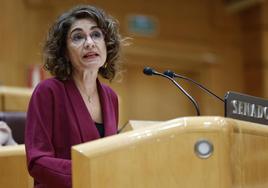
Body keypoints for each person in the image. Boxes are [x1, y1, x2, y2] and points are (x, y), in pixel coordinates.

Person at [25, 5, 123, 188]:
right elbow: (37, 161)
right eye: (78, 37)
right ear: (64, 52)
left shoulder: (111, 98)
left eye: (96, 35)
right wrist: (89, 173)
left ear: (106, 45)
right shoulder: (48, 91)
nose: (89, 43)